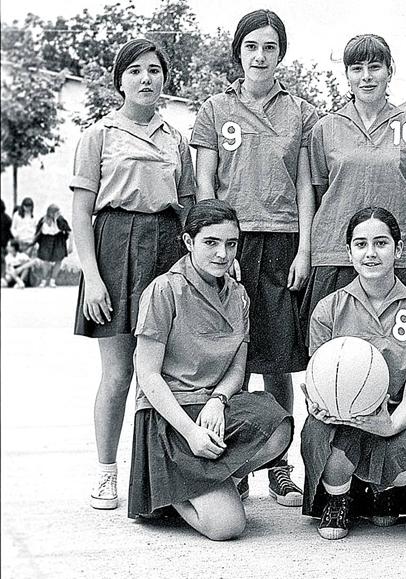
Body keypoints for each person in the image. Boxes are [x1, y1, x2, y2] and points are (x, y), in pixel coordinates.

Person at [191, 9, 317, 506]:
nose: (260, 56)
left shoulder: (301, 112)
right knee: (231, 358)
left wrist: (304, 247)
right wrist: (220, 243)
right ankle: (236, 463)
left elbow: (306, 184)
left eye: (269, 47)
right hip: (231, 243)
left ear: (280, 53)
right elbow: (205, 184)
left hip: (283, 240)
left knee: (277, 360)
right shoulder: (214, 109)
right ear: (238, 52)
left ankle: (279, 465)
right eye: (251, 47)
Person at [71, 39, 196, 510]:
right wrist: (94, 277)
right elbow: (82, 213)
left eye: (155, 71)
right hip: (114, 249)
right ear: (119, 79)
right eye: (135, 71)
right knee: (120, 373)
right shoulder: (98, 135)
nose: (146, 79)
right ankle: (106, 473)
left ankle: (160, 476)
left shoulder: (176, 139)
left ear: (165, 79)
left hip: (165, 248)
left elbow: (187, 209)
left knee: (161, 373)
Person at [129, 199, 293, 540]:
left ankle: (212, 484)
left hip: (210, 408)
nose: (222, 254)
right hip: (169, 416)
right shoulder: (164, 290)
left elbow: (237, 367)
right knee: (227, 527)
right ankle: (172, 495)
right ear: (189, 242)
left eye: (230, 244)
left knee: (278, 425)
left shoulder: (238, 295)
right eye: (211, 242)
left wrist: (218, 400)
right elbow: (147, 375)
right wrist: (190, 432)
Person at [301, 207, 406, 540]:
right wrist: (321, 407)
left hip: (391, 414)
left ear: (399, 250)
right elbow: (316, 381)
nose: (370, 253)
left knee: (405, 464)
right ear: (348, 252)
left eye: (381, 243)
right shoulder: (328, 308)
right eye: (360, 244)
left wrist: (389, 424)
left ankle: (382, 488)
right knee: (335, 445)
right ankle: (339, 496)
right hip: (338, 415)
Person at [302, 34, 406, 328]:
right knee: (333, 356)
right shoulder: (325, 128)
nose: (367, 77)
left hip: (398, 256)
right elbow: (322, 192)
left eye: (375, 67)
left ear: (389, 70)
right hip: (337, 253)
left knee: (401, 352)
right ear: (347, 75)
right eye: (357, 68)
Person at [33, 204, 72, 288]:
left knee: (58, 260)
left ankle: (52, 280)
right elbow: (38, 232)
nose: (59, 213)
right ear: (51, 213)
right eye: (57, 212)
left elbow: (69, 231)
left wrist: (70, 245)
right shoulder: (43, 220)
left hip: (58, 240)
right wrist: (35, 243)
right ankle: (44, 280)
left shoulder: (60, 220)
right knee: (45, 261)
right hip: (46, 240)